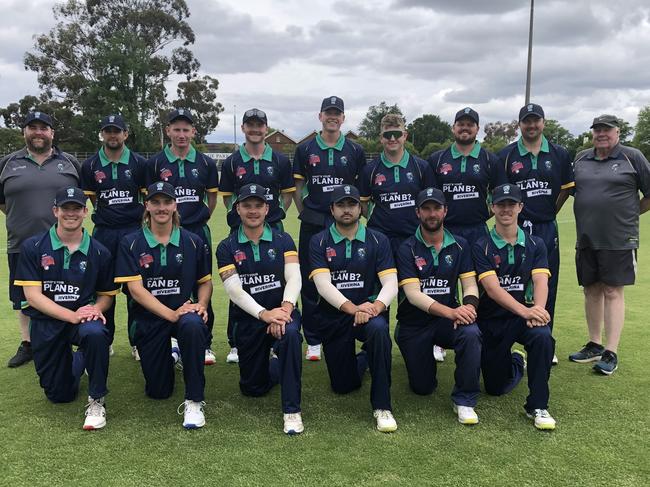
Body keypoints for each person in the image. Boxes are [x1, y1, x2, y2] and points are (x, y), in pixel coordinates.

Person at [14, 187, 117, 429]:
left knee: (95, 332)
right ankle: (79, 358)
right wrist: (72, 315)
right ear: (55, 211)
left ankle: (97, 400)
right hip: (47, 321)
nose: (71, 214)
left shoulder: (100, 251)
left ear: (85, 211)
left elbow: (106, 296)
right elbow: (33, 296)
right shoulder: (33, 247)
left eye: (76, 208)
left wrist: (96, 309)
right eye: (65, 208)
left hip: (83, 320)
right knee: (59, 395)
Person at [114, 182, 212, 429]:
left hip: (184, 314)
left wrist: (201, 304)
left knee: (192, 324)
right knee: (158, 391)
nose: (161, 208)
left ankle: (194, 401)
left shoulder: (193, 241)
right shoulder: (131, 243)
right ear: (146, 205)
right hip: (150, 319)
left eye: (166, 202)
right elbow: (136, 290)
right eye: (155, 202)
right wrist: (171, 314)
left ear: (174, 205)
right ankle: (173, 354)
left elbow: (205, 282)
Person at [309, 184, 398, 432]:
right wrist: (353, 308)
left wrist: (376, 307)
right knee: (343, 386)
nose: (346, 210)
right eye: (341, 205)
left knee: (380, 332)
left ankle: (383, 406)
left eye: (351, 204)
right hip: (335, 316)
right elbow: (323, 285)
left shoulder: (378, 239)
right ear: (332, 209)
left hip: (370, 315)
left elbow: (390, 283)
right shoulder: (319, 241)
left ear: (361, 208)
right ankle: (365, 359)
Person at [216, 183, 304, 435]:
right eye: (247, 206)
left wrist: (284, 310)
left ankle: (292, 411)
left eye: (258, 205)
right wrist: (265, 315)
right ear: (238, 209)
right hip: (250, 320)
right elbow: (235, 291)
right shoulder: (226, 246)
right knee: (252, 388)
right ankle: (277, 363)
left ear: (267, 209)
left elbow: (294, 278)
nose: (252, 211)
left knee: (289, 337)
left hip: (283, 313)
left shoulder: (283, 239)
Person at [569, 114, 650, 375]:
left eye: (607, 129)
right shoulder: (581, 158)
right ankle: (594, 343)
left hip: (619, 238)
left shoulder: (632, 156)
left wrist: (630, 213)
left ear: (617, 132)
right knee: (591, 289)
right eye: (597, 130)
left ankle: (611, 351)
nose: (601, 134)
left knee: (613, 291)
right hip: (586, 237)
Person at [472, 183, 556, 430]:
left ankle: (538, 406)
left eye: (511, 204)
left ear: (520, 207)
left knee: (542, 337)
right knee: (495, 389)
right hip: (493, 319)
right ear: (492, 207)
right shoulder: (482, 245)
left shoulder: (535, 243)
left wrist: (537, 311)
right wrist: (526, 311)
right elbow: (492, 289)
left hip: (524, 319)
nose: (506, 209)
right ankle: (517, 361)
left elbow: (541, 280)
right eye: (501, 204)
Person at [1, 111, 81, 368]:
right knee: (22, 296)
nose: (38, 132)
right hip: (20, 243)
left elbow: (82, 198)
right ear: (24, 131)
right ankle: (28, 344)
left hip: (62, 244)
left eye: (43, 128)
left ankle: (65, 339)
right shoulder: (7, 162)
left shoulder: (69, 162)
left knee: (62, 292)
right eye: (32, 127)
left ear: (52, 133)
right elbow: (2, 201)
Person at [396, 187, 482, 424]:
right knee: (423, 388)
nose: (432, 214)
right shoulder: (406, 248)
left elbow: (470, 285)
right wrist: (453, 311)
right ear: (418, 213)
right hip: (414, 324)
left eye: (436, 208)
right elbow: (413, 295)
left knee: (471, 332)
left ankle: (464, 400)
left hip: (447, 321)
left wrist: (469, 308)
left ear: (445, 211)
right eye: (426, 208)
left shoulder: (461, 245)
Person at [498, 103, 574, 365]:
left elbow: (565, 188)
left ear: (543, 122)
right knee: (509, 282)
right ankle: (505, 339)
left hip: (545, 227)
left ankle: (544, 340)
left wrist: (550, 212)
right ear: (520, 124)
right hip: (513, 230)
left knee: (545, 284)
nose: (531, 126)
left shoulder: (559, 153)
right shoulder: (507, 155)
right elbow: (499, 196)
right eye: (526, 121)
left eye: (536, 121)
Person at [219, 108, 295, 364]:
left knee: (276, 281)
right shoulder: (232, 161)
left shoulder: (281, 160)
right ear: (243, 128)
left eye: (259, 125)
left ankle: (278, 336)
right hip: (241, 230)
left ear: (266, 127)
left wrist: (278, 212)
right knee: (241, 283)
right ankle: (236, 343)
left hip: (273, 228)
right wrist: (237, 214)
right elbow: (227, 195)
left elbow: (287, 192)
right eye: (249, 125)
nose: (255, 129)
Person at [293, 96, 366, 361]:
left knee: (347, 277)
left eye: (337, 113)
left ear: (343, 118)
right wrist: (307, 213)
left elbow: (361, 189)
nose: (333, 117)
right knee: (311, 281)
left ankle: (349, 332)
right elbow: (299, 190)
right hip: (314, 221)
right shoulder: (305, 149)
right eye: (328, 113)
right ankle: (313, 340)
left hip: (345, 222)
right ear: (320, 116)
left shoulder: (355, 151)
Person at [428, 107, 500, 362]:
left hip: (477, 230)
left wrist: (481, 214)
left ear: (478, 129)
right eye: (461, 124)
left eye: (470, 124)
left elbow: (499, 196)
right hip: (445, 231)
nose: (465, 128)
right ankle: (440, 338)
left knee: (480, 284)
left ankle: (478, 335)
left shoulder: (490, 159)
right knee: (441, 283)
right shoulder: (438, 159)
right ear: (453, 127)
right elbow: (430, 198)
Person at [147, 108, 219, 365]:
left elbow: (211, 199)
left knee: (202, 283)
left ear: (193, 132)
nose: (181, 134)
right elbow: (148, 199)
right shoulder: (155, 163)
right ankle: (168, 340)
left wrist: (200, 218)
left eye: (186, 129)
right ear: (168, 131)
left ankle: (204, 343)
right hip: (163, 233)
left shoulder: (206, 163)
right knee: (165, 283)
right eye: (176, 129)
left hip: (196, 230)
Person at [81, 114, 148, 360]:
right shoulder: (89, 165)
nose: (112, 135)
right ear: (103, 134)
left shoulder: (139, 163)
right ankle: (105, 340)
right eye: (108, 131)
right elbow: (92, 200)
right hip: (104, 235)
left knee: (136, 292)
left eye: (116, 131)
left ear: (125, 134)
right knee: (105, 290)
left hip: (133, 233)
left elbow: (146, 198)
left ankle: (137, 342)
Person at [359, 114, 435, 255]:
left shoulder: (421, 167)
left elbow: (430, 204)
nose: (392, 139)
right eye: (388, 135)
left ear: (405, 135)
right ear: (381, 137)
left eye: (397, 134)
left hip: (415, 238)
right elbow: (363, 205)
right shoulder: (370, 170)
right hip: (380, 239)